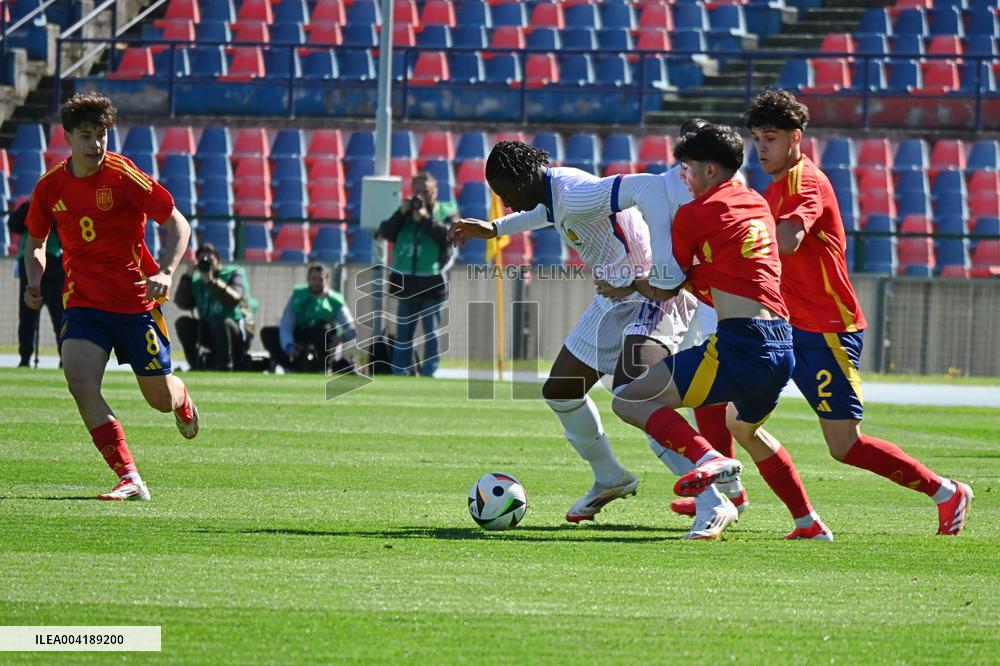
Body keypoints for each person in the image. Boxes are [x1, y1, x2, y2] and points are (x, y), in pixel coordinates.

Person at [450, 140, 735, 538]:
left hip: (652, 294)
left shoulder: (574, 192)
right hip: (617, 297)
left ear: (525, 177)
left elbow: (648, 189)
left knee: (637, 394)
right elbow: (543, 213)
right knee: (562, 390)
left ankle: (713, 500)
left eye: (506, 191)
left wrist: (655, 267)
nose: (506, 201)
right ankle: (610, 477)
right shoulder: (552, 195)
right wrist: (496, 228)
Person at [745, 89, 973, 535]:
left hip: (827, 330)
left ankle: (946, 492)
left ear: (796, 138)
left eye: (770, 137)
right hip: (786, 328)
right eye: (756, 138)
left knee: (844, 446)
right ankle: (783, 512)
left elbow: (787, 241)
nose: (761, 147)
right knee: (736, 417)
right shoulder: (771, 191)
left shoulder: (803, 182)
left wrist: (735, 243)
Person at [610, 123, 834, 540]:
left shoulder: (696, 214)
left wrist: (624, 284)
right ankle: (809, 522)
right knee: (745, 427)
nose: (683, 175)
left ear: (710, 170)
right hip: (783, 344)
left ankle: (708, 458)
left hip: (741, 344)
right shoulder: (756, 204)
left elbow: (665, 286)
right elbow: (725, 271)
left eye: (687, 167)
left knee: (628, 400)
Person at [22, 91, 200, 502]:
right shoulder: (50, 187)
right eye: (86, 135)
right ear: (67, 137)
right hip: (84, 304)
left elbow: (178, 223)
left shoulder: (124, 176)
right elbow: (35, 241)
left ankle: (181, 396)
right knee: (80, 381)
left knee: (159, 399)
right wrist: (35, 277)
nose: (96, 144)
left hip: (137, 304)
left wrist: (167, 271)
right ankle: (130, 477)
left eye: (101, 135)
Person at [377, 171, 456, 377]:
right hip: (406, 281)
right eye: (417, 190)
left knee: (432, 333)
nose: (420, 195)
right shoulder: (405, 213)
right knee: (404, 333)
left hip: (432, 281)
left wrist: (424, 219)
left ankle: (430, 372)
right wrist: (401, 214)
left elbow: (449, 237)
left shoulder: (445, 212)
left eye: (425, 191)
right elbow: (385, 232)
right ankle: (399, 372)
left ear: (435, 192)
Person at [261, 263, 357, 373]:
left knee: (324, 330)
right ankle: (289, 367)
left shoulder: (335, 301)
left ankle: (324, 367)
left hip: (322, 338)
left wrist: (341, 337)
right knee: (268, 333)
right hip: (300, 335)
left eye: (320, 279)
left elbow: (350, 328)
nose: (316, 283)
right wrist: (289, 345)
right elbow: (287, 324)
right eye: (313, 279)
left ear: (326, 280)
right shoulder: (297, 297)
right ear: (308, 280)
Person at [173, 243, 254, 371]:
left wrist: (212, 282)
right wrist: (187, 278)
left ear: (218, 261)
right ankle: (196, 365)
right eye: (202, 260)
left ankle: (225, 366)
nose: (206, 264)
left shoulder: (234, 273)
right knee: (182, 323)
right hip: (211, 331)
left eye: (210, 260)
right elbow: (182, 303)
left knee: (218, 320)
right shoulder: (197, 283)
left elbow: (234, 299)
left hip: (237, 330)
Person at [11, 199, 65, 366]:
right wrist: (29, 208)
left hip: (54, 262)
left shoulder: (58, 207)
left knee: (60, 316)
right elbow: (14, 225)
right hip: (30, 263)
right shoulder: (28, 207)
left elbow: (65, 233)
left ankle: (65, 358)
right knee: (27, 316)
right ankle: (25, 357)